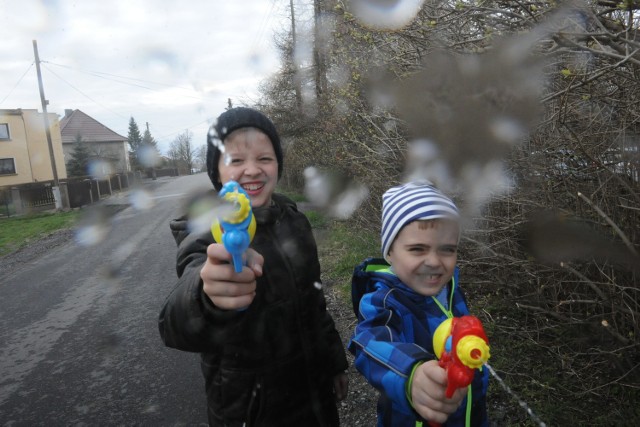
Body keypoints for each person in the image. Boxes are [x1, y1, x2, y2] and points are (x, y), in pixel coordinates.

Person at [159, 107, 349, 426]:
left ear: (277, 165)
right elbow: (173, 323)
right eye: (236, 161)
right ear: (216, 173)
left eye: (264, 158)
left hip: (315, 398)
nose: (252, 170)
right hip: (251, 410)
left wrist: (333, 362)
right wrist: (206, 297)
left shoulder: (295, 221)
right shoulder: (206, 235)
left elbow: (315, 303)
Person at [349, 181, 489, 426]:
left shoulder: (451, 290)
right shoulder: (382, 302)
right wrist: (411, 375)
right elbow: (370, 344)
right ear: (390, 252)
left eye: (447, 249)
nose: (434, 262)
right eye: (417, 249)